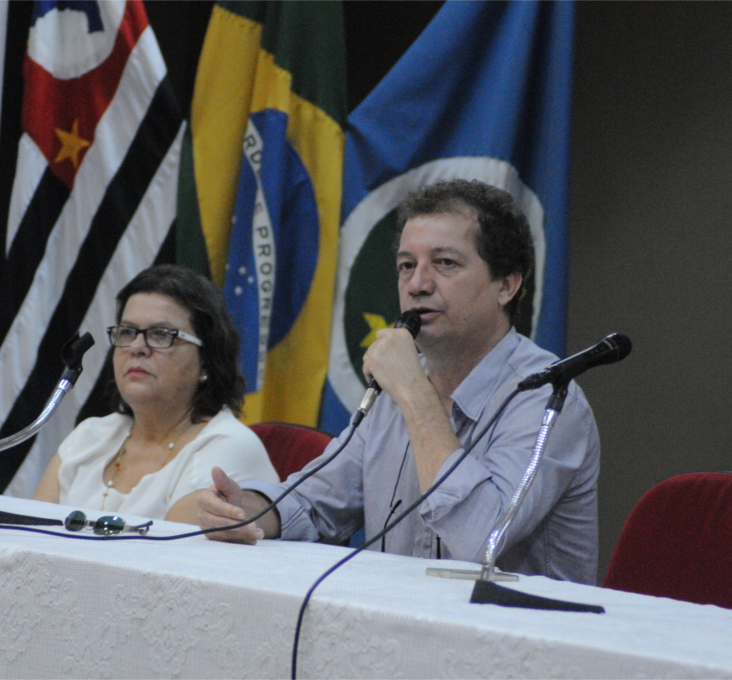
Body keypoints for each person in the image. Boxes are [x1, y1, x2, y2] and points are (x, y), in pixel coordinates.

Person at [196, 179, 600, 584]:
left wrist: (413, 394)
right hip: (397, 630)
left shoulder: (546, 399)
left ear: (507, 285)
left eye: (445, 263)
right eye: (407, 265)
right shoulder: (399, 389)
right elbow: (316, 503)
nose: (416, 284)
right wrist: (247, 509)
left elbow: (478, 541)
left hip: (516, 638)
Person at [34, 264, 278, 524]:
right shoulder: (88, 438)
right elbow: (27, 537)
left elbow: (168, 557)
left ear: (207, 360)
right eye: (127, 332)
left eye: (161, 335)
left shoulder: (228, 447)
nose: (137, 347)